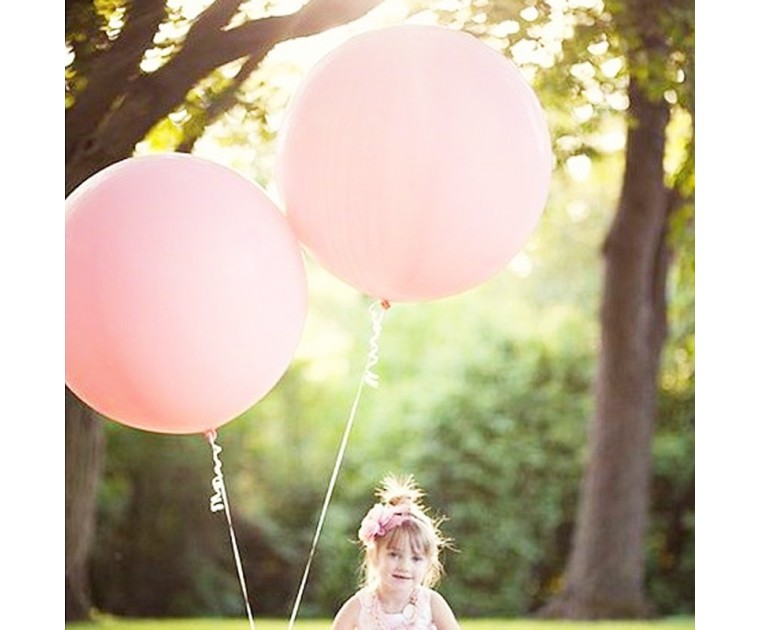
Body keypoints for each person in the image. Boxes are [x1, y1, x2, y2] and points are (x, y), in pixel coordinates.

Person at [332, 475, 461, 630]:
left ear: (428, 564)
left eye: (416, 559)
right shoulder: (358, 607)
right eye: (394, 555)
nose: (404, 566)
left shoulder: (431, 604)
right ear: (374, 556)